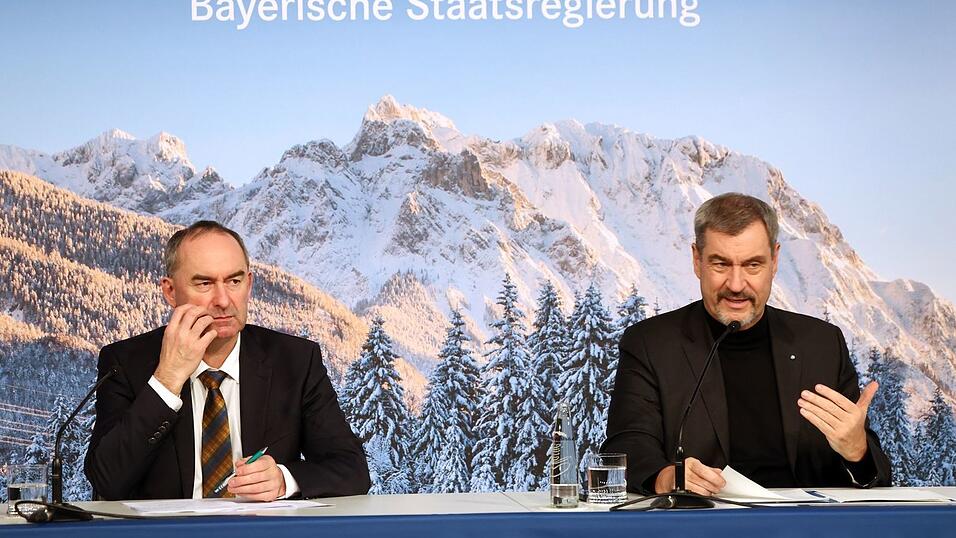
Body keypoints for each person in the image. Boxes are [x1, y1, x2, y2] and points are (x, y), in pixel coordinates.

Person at [602, 193, 891, 495]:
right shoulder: (651, 343)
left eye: (753, 265)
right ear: (697, 260)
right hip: (702, 526)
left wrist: (857, 451)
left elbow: (876, 476)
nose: (736, 285)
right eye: (720, 264)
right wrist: (667, 477)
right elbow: (629, 443)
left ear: (774, 261)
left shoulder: (821, 343)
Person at [85, 221, 370, 500]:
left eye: (234, 281)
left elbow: (352, 468)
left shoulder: (295, 361)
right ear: (170, 292)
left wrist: (284, 480)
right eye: (205, 283)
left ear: (249, 284)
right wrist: (167, 379)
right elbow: (107, 481)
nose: (223, 300)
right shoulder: (124, 362)